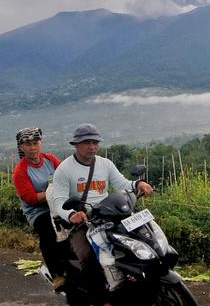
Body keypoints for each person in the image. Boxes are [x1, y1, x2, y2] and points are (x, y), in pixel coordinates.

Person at [50, 123, 154, 296]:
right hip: (83, 222)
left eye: (95, 142)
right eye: (86, 142)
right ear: (76, 144)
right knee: (87, 256)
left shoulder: (105, 164)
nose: (92, 147)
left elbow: (122, 183)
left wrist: (138, 184)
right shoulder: (64, 169)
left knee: (142, 241)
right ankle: (99, 297)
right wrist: (72, 215)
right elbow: (59, 200)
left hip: (109, 216)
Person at [12, 127, 67, 291]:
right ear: (22, 147)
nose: (32, 147)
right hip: (39, 212)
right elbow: (30, 199)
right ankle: (57, 274)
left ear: (40, 144)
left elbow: (65, 176)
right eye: (28, 144)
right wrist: (52, 192)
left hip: (58, 205)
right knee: (49, 231)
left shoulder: (50, 160)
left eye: (35, 143)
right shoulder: (21, 171)